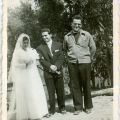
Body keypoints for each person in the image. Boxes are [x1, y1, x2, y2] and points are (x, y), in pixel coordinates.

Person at [8, 33, 49, 120]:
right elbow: (15, 66)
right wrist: (25, 63)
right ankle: (31, 113)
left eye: (27, 42)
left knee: (37, 92)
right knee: (29, 94)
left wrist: (35, 60)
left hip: (34, 74)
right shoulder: (18, 52)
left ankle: (42, 111)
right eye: (24, 43)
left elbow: (36, 62)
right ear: (21, 43)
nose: (26, 44)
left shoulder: (31, 50)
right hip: (25, 75)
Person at [63, 15, 96, 115]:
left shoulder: (87, 35)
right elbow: (64, 50)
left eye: (79, 24)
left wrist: (89, 58)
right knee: (75, 86)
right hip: (72, 64)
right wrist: (69, 59)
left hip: (85, 62)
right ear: (71, 24)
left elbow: (93, 48)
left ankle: (88, 107)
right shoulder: (67, 36)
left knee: (86, 84)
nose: (77, 26)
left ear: (81, 25)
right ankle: (78, 107)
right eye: (75, 24)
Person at [36, 28, 66, 115]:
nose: (44, 37)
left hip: (58, 71)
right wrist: (50, 66)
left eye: (46, 35)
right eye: (43, 36)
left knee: (60, 90)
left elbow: (61, 57)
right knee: (50, 91)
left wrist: (56, 66)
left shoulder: (59, 45)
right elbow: (42, 60)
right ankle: (52, 109)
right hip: (48, 72)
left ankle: (62, 107)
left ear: (50, 35)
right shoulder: (40, 48)